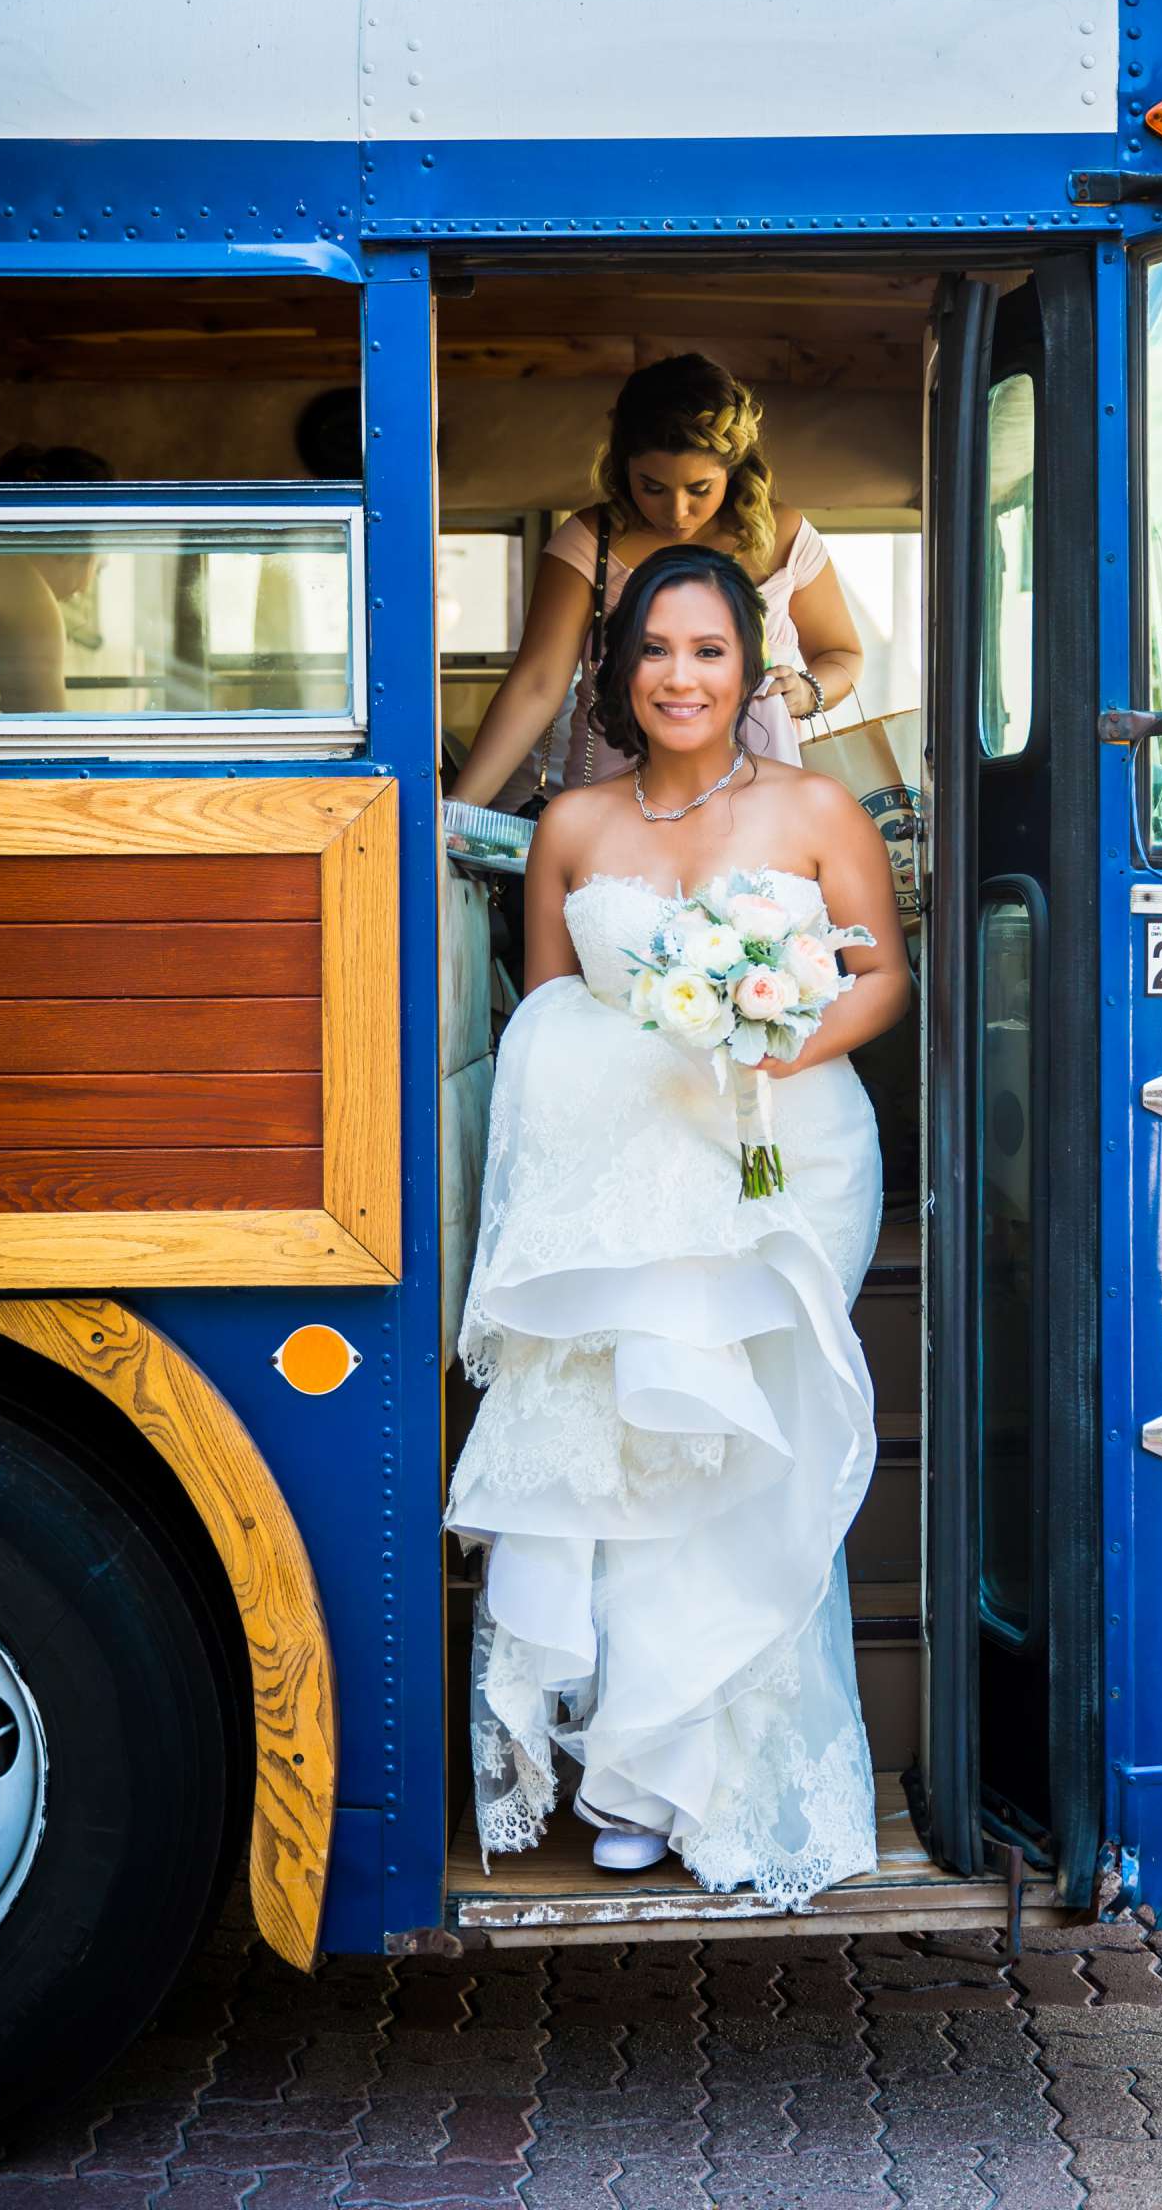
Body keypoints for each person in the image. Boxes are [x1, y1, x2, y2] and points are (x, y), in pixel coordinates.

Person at [444, 544, 909, 1905]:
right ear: (618, 670)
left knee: (742, 1454)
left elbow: (880, 979)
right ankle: (638, 1775)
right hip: (627, 1181)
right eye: (657, 650)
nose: (682, 677)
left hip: (786, 1162)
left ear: (751, 667)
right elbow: (545, 1022)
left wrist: (779, 1040)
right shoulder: (573, 827)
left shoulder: (818, 805)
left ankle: (727, 1772)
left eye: (709, 651)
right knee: (633, 1452)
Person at [445, 354, 863, 811]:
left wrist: (807, 690)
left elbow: (842, 654)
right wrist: (458, 810)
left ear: (735, 468)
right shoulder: (590, 541)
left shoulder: (785, 535)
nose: (676, 512)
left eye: (699, 489)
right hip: (616, 798)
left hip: (758, 802)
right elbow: (539, 684)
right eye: (653, 487)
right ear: (623, 468)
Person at [0, 445, 113, 714]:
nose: (83, 588)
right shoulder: (26, 597)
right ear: (76, 545)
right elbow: (45, 748)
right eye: (99, 564)